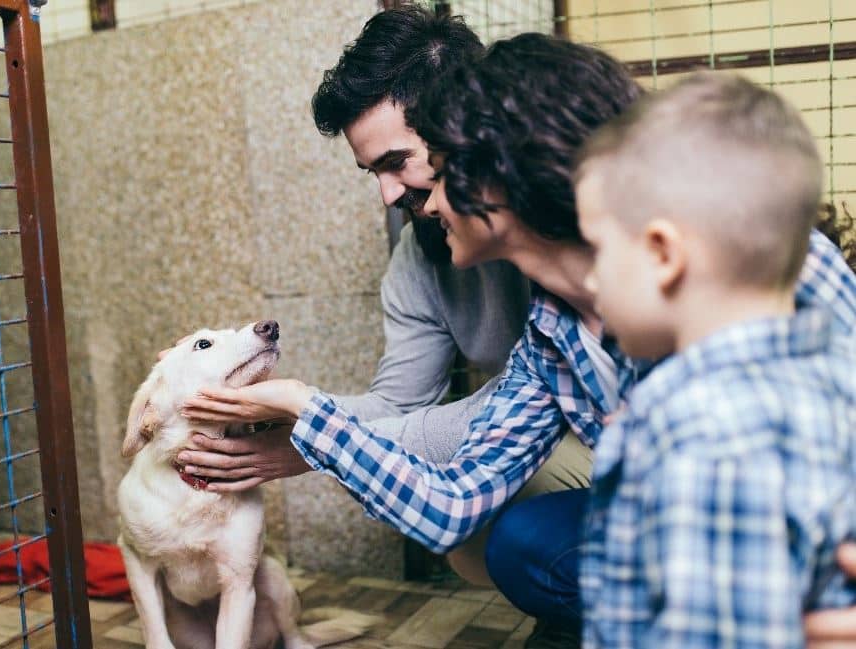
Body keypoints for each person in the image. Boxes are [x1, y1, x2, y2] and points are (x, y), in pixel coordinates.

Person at [180, 33, 856, 643]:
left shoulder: (747, 273)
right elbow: (448, 504)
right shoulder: (549, 333)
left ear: (494, 167)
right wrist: (306, 410)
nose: (418, 197)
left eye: (434, 168)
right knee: (518, 541)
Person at [173, 6, 592, 587]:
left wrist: (311, 435)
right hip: (573, 443)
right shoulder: (526, 319)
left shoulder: (600, 254)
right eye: (371, 172)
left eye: (404, 163)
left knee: (523, 527)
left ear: (471, 131)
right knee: (479, 541)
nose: (388, 195)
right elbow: (421, 437)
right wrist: (303, 423)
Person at [573, 71, 855, 648]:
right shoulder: (836, 372)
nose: (590, 276)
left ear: (663, 254)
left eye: (598, 249)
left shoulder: (708, 433)